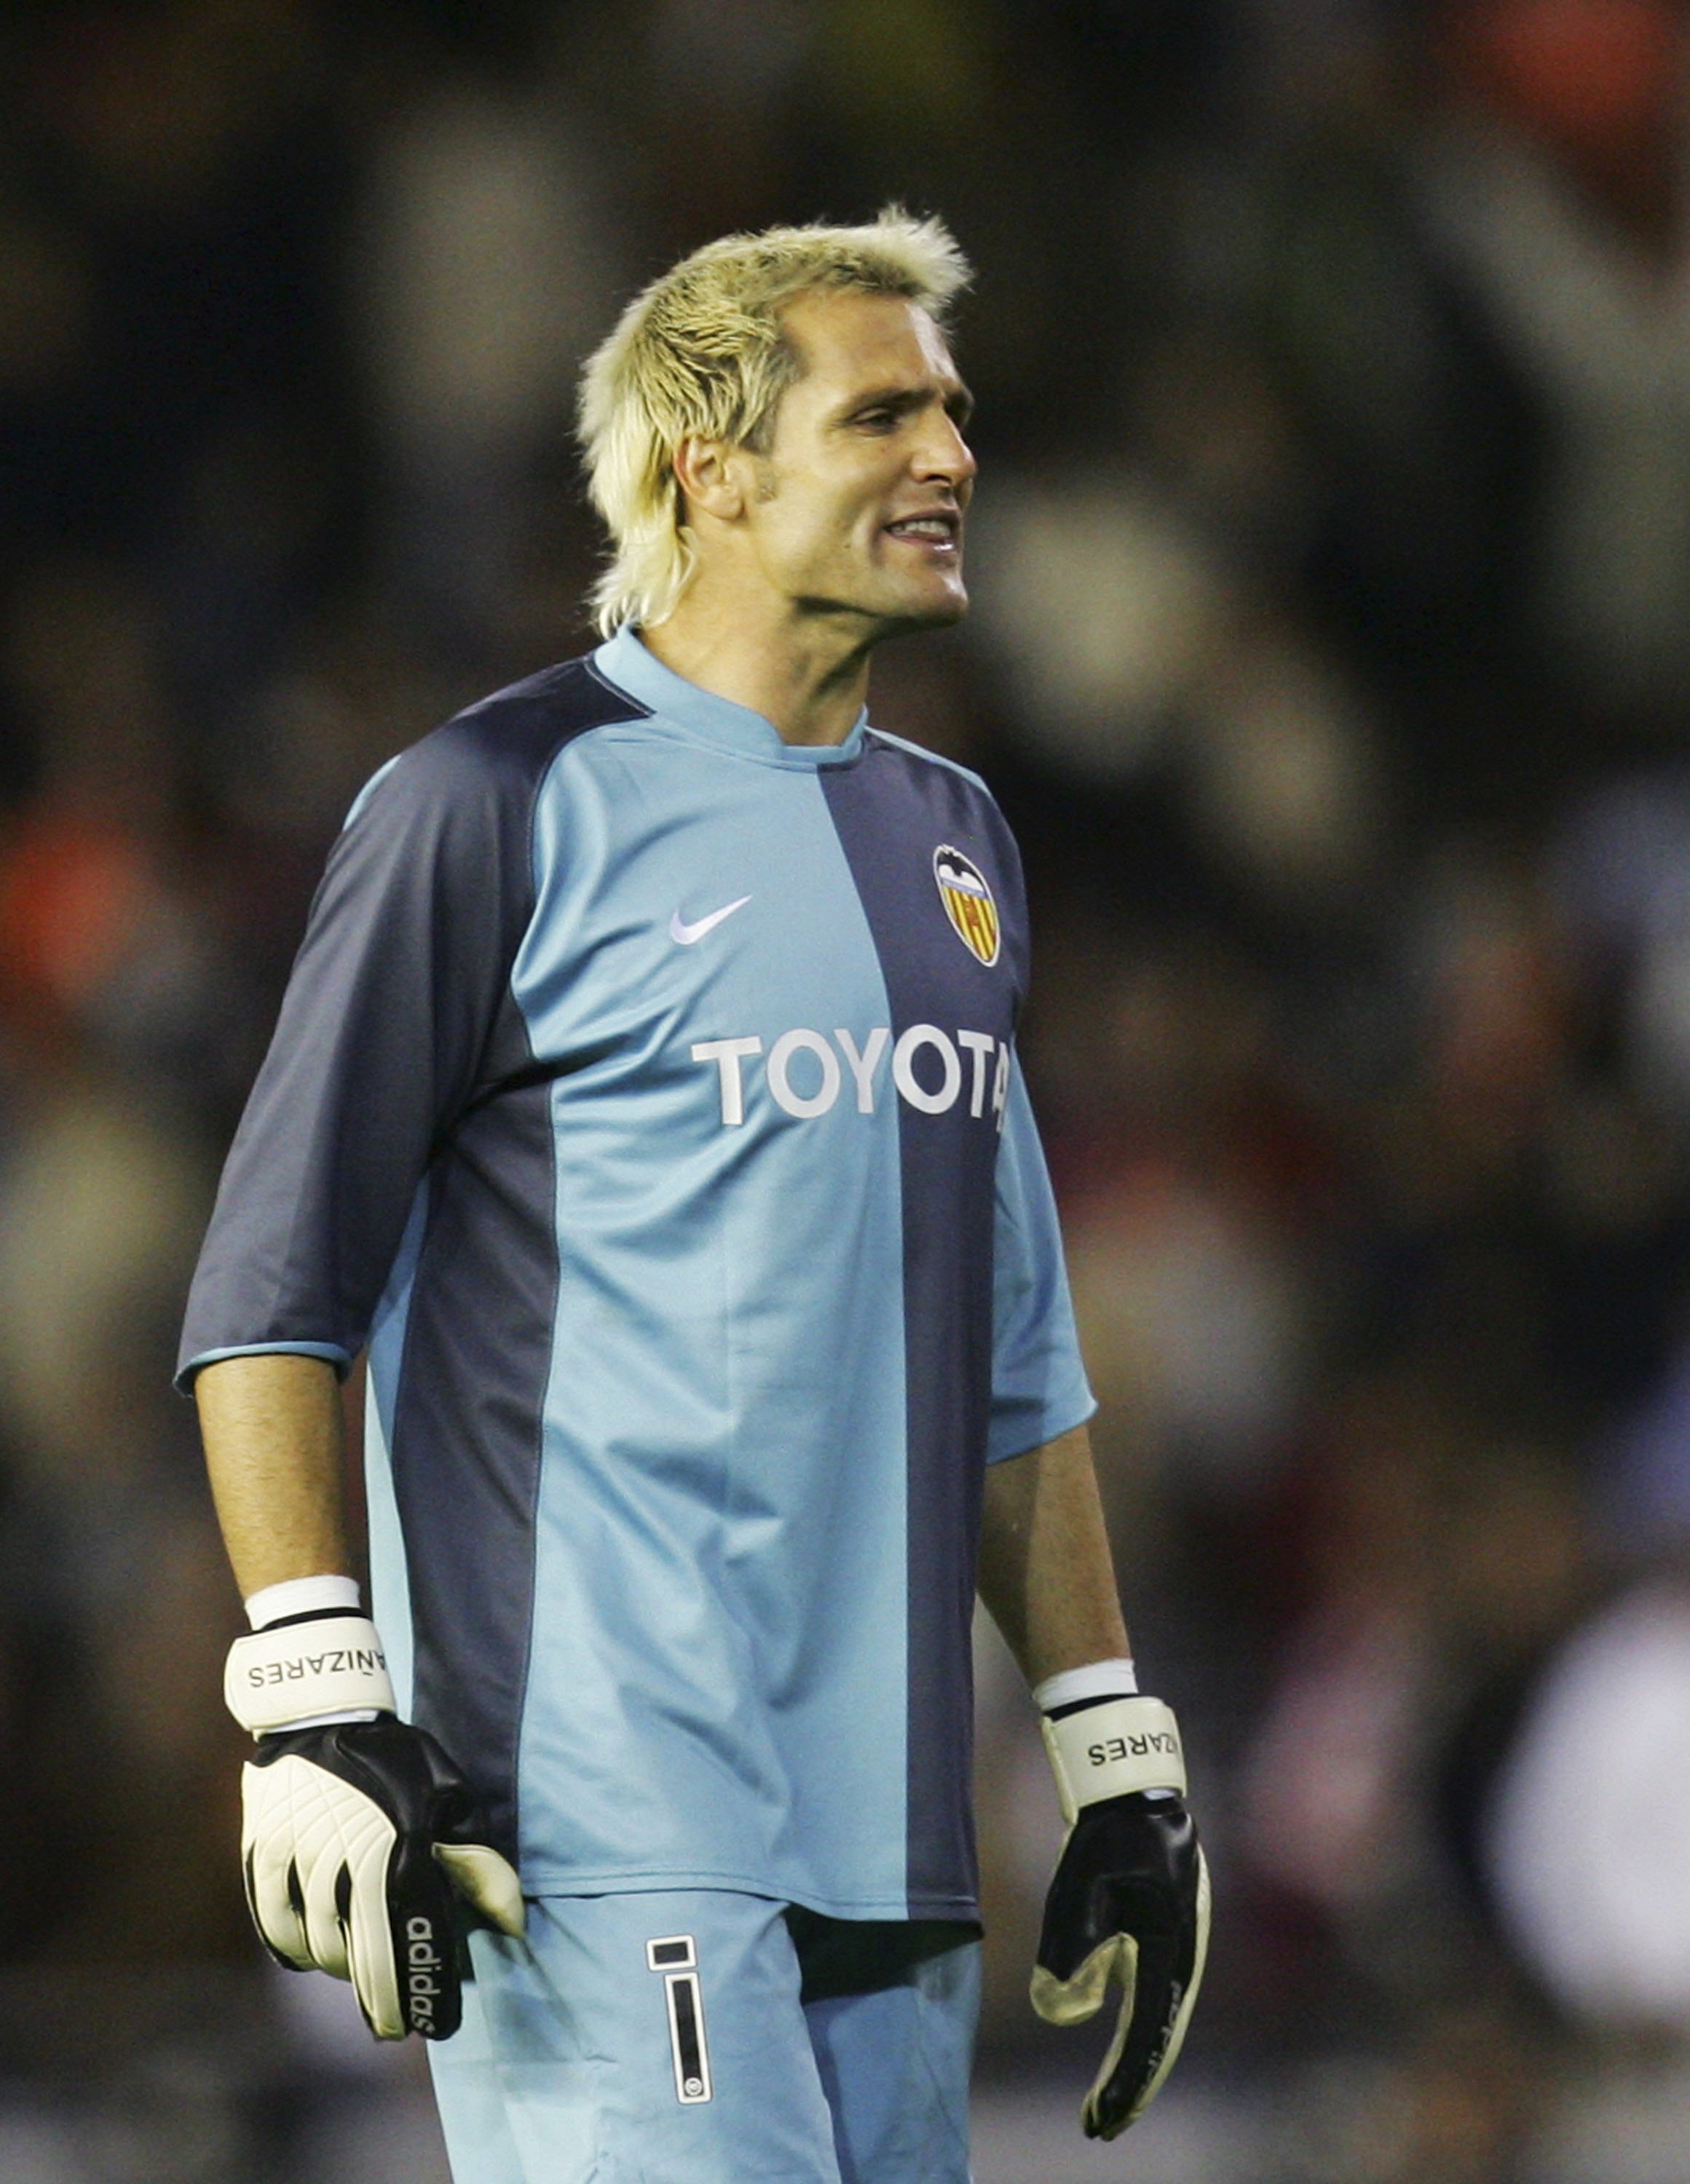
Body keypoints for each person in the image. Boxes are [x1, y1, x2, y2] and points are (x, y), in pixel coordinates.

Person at [179, 209, 1208, 2184]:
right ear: (705, 467)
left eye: (958, 414)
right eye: (882, 413)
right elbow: (271, 1289)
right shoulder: (493, 804)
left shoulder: (956, 841)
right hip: (589, 1811)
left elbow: (1010, 1356)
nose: (950, 457)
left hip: (893, 1816)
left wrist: (1107, 1743)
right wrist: (312, 1692)